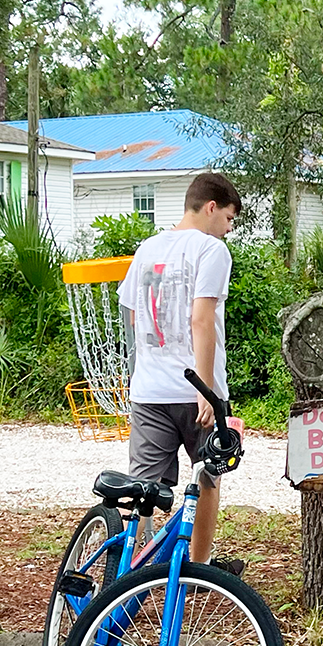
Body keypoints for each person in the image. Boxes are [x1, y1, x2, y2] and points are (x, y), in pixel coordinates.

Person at [117, 172, 245, 573]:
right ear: (211, 207)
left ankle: (131, 572)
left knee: (143, 492)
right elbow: (202, 320)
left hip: (149, 391)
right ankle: (199, 568)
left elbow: (134, 315)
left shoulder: (147, 248)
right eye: (228, 219)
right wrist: (207, 390)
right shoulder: (211, 251)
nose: (227, 229)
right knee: (207, 476)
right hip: (195, 391)